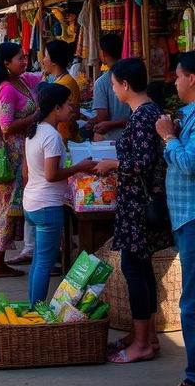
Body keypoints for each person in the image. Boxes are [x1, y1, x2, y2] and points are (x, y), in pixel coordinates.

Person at [94, 58, 171, 364]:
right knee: (141, 269)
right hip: (139, 203)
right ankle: (146, 336)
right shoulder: (148, 112)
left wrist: (112, 165)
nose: (113, 90)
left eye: (113, 84)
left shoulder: (142, 117)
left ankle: (142, 343)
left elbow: (139, 163)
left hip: (138, 207)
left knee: (134, 270)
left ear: (125, 85)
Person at [23, 83, 96, 305]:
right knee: (44, 262)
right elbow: (52, 175)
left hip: (33, 201)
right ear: (56, 108)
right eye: (67, 105)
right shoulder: (51, 135)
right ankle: (37, 309)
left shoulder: (34, 131)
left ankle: (34, 305)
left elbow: (27, 172)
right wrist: (80, 167)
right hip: (46, 205)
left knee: (39, 260)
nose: (71, 109)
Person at [0, 43, 41, 278]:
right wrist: (34, 117)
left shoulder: (22, 81)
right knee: (5, 210)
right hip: (9, 157)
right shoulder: (7, 88)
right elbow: (6, 126)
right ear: (6, 62)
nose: (24, 62)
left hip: (9, 156)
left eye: (25, 57)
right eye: (20, 59)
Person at [156, 51, 195, 386]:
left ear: (192, 78)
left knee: (191, 302)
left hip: (193, 217)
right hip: (186, 216)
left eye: (178, 76)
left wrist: (169, 136)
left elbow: (188, 163)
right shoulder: (188, 115)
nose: (175, 81)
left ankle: (193, 374)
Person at [90, 32, 131, 139]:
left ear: (103, 53)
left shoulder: (101, 83)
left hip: (112, 139)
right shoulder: (133, 75)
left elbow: (103, 119)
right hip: (133, 136)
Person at [41, 40, 80, 143]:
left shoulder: (64, 84)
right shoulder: (61, 80)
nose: (43, 60)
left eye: (45, 56)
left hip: (63, 137)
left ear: (54, 61)